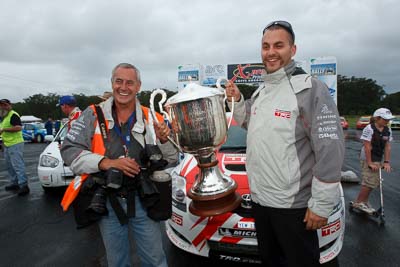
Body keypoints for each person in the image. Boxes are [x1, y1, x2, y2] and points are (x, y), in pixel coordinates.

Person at [225, 21, 345, 266]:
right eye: (266, 46)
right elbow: (249, 122)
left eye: (278, 45)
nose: (270, 52)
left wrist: (321, 205)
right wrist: (237, 99)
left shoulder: (310, 89)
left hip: (294, 208)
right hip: (260, 201)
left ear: (293, 49)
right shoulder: (262, 91)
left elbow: (330, 149)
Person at [60, 63, 178, 267]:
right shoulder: (92, 114)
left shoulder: (152, 117)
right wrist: (106, 162)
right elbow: (69, 150)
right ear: (112, 83)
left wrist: (164, 140)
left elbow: (173, 159)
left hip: (144, 198)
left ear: (138, 86)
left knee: (155, 260)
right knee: (117, 262)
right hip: (107, 200)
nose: (124, 87)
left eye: (130, 82)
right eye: (119, 81)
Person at [352, 108, 394, 213]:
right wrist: (370, 162)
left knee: (374, 181)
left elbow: (387, 146)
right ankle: (359, 203)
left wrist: (386, 162)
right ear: (377, 118)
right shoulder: (369, 128)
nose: (387, 121)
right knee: (369, 181)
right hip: (367, 157)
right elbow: (367, 147)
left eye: (388, 119)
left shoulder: (387, 130)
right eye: (385, 119)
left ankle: (364, 201)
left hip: (378, 157)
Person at [0, 99, 30, 196]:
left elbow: (18, 127)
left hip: (15, 144)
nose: (3, 107)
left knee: (17, 165)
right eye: (1, 105)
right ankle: (15, 183)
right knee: (9, 165)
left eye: (5, 105)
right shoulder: (3, 117)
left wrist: (4, 129)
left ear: (9, 105)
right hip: (7, 144)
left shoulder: (13, 114)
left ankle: (24, 186)